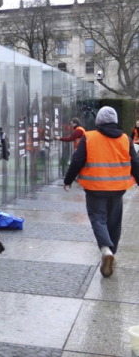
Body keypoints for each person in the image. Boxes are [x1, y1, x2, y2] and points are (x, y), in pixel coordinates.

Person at [63, 106, 139, 277]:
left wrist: (68, 180)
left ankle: (105, 250)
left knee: (98, 219)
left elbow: (77, 160)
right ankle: (112, 251)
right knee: (114, 221)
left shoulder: (89, 137)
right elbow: (135, 163)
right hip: (118, 188)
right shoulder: (125, 139)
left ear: (98, 121)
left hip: (95, 188)